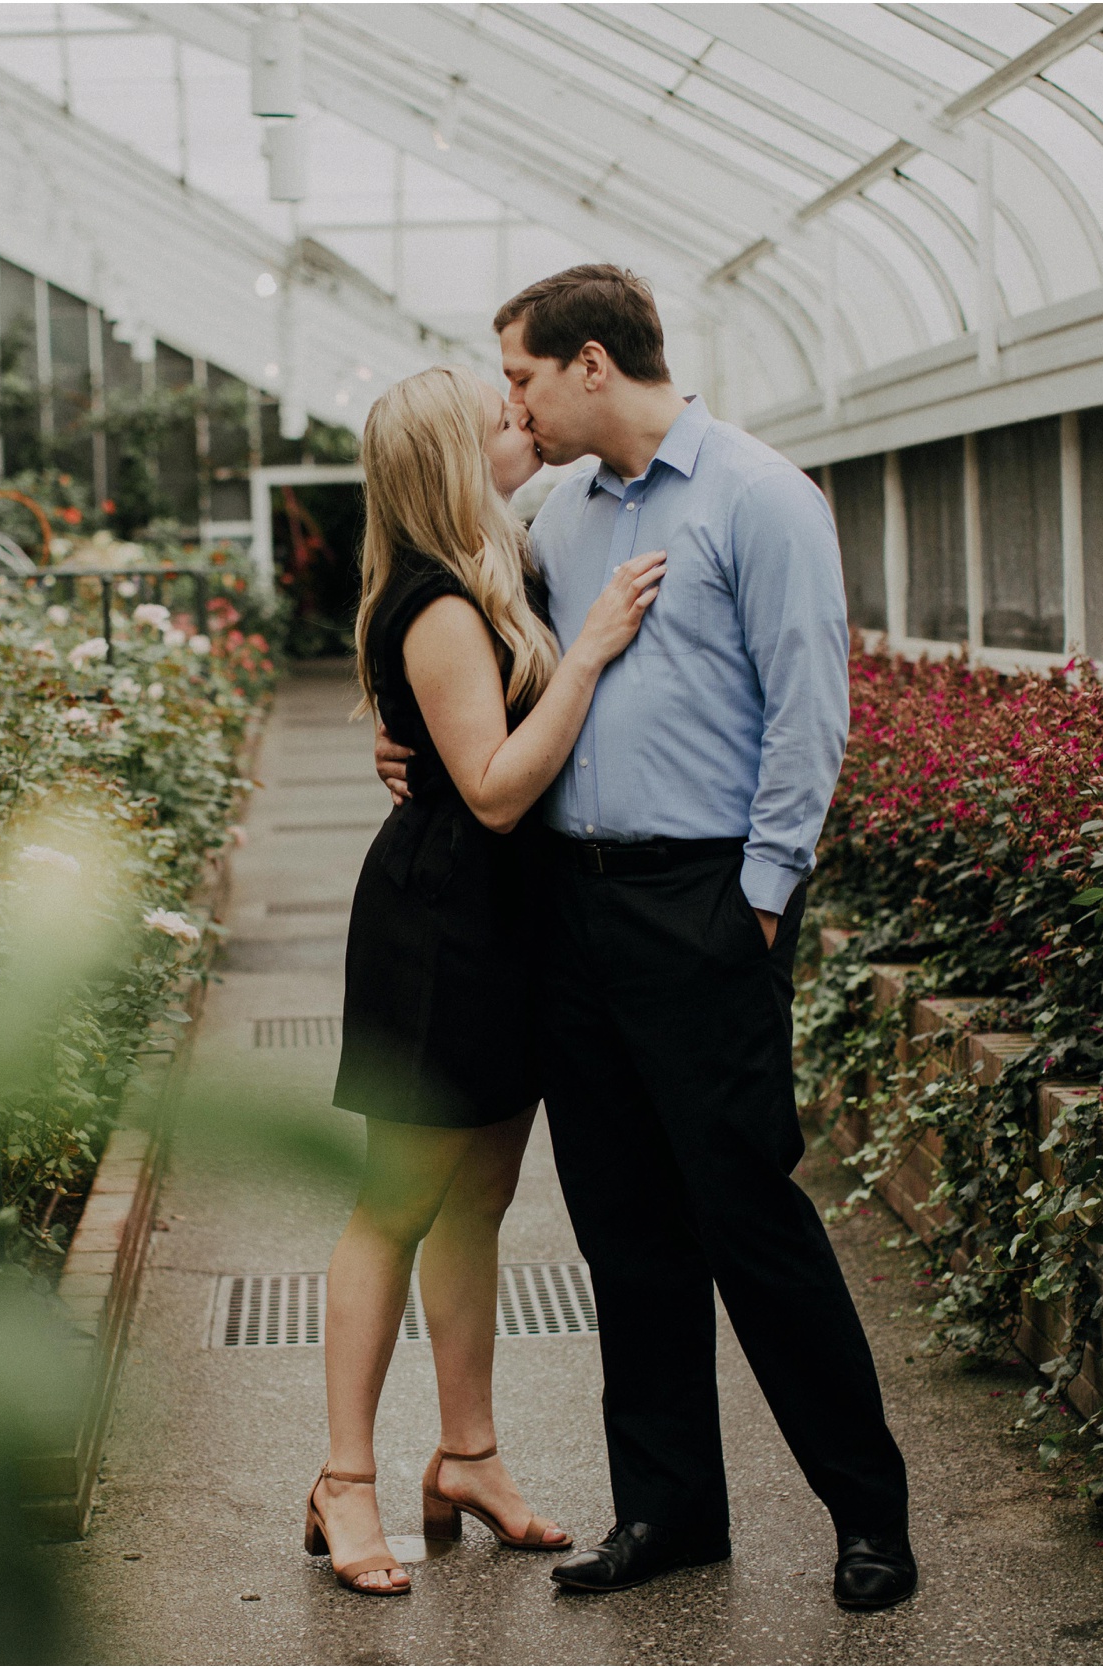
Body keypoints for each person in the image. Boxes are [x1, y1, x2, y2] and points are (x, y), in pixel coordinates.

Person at [376, 265, 918, 1610]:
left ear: (593, 365)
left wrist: (762, 893)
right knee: (622, 1225)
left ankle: (869, 1514)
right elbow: (469, 654)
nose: (511, 405)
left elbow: (811, 713)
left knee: (749, 1214)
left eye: (521, 377)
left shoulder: (759, 498)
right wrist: (403, 738)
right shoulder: (555, 519)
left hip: (704, 903)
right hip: (570, 902)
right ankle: (671, 1510)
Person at [307, 364, 668, 1597]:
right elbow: (498, 786)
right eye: (498, 420)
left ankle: (467, 1455)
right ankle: (344, 1482)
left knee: (477, 1204)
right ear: (453, 463)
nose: (521, 424)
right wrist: (593, 653)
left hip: (505, 926)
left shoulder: (495, 563)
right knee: (395, 1204)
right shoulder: (441, 604)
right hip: (439, 934)